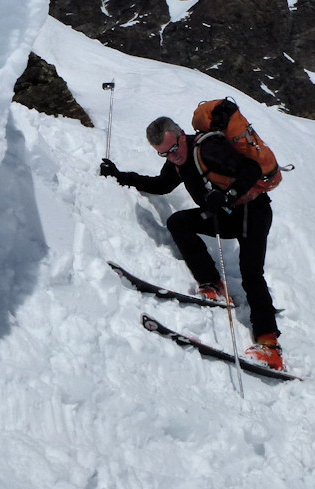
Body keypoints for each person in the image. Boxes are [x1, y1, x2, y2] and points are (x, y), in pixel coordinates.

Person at [100, 115, 284, 371]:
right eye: (163, 154)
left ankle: (270, 347)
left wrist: (227, 194)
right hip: (226, 215)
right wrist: (121, 176)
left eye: (173, 149)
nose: (172, 156)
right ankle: (212, 283)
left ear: (181, 135)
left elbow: (250, 170)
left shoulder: (208, 149)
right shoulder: (178, 162)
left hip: (253, 213)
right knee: (179, 222)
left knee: (251, 273)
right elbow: (161, 185)